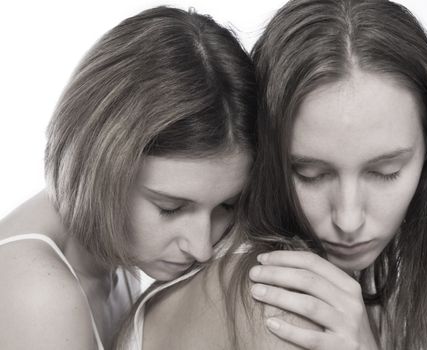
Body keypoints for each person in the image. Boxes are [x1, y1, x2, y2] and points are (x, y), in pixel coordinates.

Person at [119, 1, 427, 349]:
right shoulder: (278, 307)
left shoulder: (367, 284)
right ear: (264, 155)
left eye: (385, 172)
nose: (348, 220)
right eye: (311, 174)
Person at [0, 6, 256, 350]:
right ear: (101, 163)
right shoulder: (37, 294)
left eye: (226, 205)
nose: (202, 247)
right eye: (170, 208)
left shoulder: (109, 252)